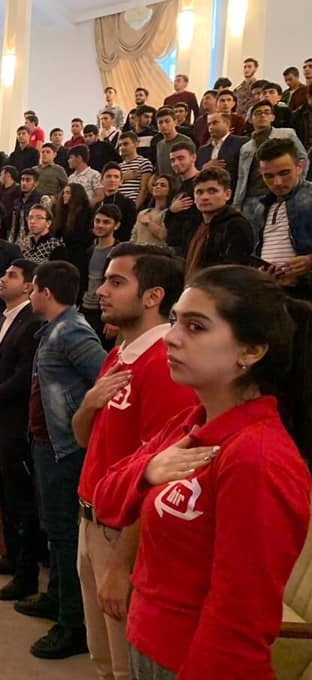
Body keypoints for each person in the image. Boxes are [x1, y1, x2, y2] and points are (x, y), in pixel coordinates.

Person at [94, 265, 312, 678]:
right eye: (176, 320)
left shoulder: (258, 458)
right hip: (147, 641)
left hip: (191, 659)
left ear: (251, 351)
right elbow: (105, 499)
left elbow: (240, 617)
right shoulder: (193, 422)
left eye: (195, 327)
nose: (171, 337)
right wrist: (149, 470)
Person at [71, 244, 198, 680]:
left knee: (125, 665)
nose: (102, 290)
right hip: (91, 518)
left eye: (116, 282)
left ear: (153, 296)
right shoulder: (119, 354)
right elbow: (84, 438)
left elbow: (163, 474)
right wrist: (88, 404)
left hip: (121, 531)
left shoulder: (163, 364)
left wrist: (123, 563)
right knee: (104, 657)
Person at [25, 260, 107, 659]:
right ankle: (56, 597)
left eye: (33, 288)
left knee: (65, 534)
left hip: (66, 448)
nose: (30, 294)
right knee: (55, 530)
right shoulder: (53, 329)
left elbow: (104, 378)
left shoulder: (72, 330)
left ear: (45, 292)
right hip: (48, 443)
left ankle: (73, 624)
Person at [0, 260, 43, 597]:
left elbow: (24, 374)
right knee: (1, 492)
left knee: (20, 498)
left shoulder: (32, 322)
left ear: (29, 286)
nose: (2, 279)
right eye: (4, 274)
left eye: (12, 276)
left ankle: (26, 575)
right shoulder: (5, 317)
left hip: (15, 421)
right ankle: (11, 556)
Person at [253, 138, 312, 299]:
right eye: (268, 176)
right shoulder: (261, 208)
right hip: (272, 293)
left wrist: (309, 261)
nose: (277, 182)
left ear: (299, 167)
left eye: (284, 173)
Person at [183, 167, 254, 278]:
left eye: (212, 191)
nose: (204, 197)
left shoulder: (236, 225)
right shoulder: (194, 225)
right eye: (199, 192)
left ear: (227, 194)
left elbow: (234, 270)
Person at [79, 204, 122, 349]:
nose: (100, 225)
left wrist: (115, 319)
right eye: (97, 221)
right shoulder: (88, 251)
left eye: (106, 222)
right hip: (85, 310)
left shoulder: (119, 254)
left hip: (104, 314)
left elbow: (120, 287)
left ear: (116, 226)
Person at [132, 174, 172, 246]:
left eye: (162, 185)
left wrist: (149, 223)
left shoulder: (168, 213)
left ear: (169, 191)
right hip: (137, 251)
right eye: (155, 184)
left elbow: (164, 235)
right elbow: (133, 238)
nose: (157, 186)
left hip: (156, 252)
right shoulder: (143, 213)